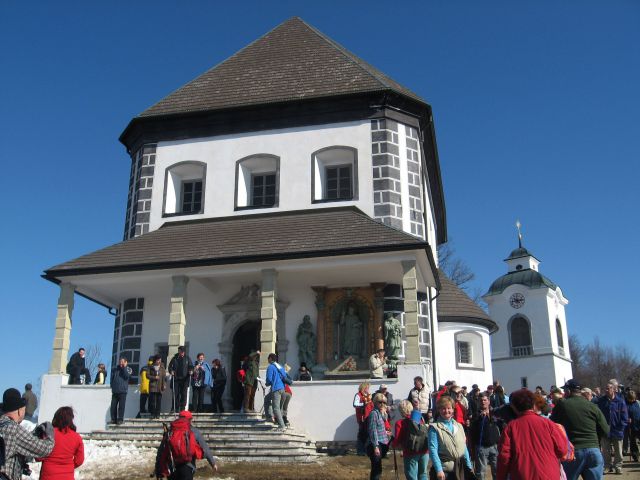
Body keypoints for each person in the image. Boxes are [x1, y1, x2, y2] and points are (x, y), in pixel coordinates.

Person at [496, 389, 567, 480]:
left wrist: (501, 477)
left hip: (522, 474)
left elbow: (504, 457)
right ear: (534, 404)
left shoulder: (510, 427)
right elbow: (562, 450)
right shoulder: (548, 424)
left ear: (514, 407)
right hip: (549, 473)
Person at [550, 379, 609, 480]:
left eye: (565, 391)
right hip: (593, 450)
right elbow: (605, 430)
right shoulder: (592, 406)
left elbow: (552, 426)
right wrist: (595, 440)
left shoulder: (562, 405)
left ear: (568, 391)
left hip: (572, 452)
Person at [0, 388, 54, 480]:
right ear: (19, 410)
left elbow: (8, 452)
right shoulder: (14, 429)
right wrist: (49, 434)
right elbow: (44, 449)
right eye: (24, 409)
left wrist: (19, 464)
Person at [157, 410, 217, 479]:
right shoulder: (194, 431)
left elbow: (161, 451)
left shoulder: (170, 431)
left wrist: (158, 468)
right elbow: (205, 448)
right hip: (188, 467)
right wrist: (213, 463)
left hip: (172, 468)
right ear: (189, 420)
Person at [428, 395, 473, 480]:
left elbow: (464, 448)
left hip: (460, 470)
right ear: (439, 410)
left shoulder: (459, 426)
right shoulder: (434, 428)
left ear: (453, 409)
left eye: (449, 408)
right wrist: (439, 470)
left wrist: (469, 467)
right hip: (445, 472)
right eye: (443, 408)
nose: (446, 411)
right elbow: (433, 450)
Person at [38, 406, 84, 479]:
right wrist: (68, 465)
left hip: (48, 475)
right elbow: (80, 460)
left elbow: (39, 457)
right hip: (67, 476)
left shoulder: (49, 434)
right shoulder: (77, 437)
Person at [597, 379, 629, 474]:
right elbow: (598, 415)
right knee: (605, 450)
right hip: (605, 430)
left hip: (617, 429)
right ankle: (607, 466)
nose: (606, 390)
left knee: (618, 450)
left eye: (608, 388)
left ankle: (618, 466)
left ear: (614, 389)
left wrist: (621, 427)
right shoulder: (601, 401)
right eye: (605, 389)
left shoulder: (620, 401)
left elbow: (625, 416)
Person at [392, 399, 429, 480]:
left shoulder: (400, 423)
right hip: (424, 451)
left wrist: (393, 444)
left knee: (412, 477)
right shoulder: (420, 419)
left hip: (410, 452)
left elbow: (398, 439)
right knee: (423, 474)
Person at [469, 392, 502, 480]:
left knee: (497, 471)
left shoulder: (494, 412)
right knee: (481, 472)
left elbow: (500, 423)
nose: (483, 402)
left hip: (494, 446)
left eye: (485, 400)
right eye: (481, 400)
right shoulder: (476, 415)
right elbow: (472, 429)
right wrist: (480, 418)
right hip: (481, 447)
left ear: (489, 401)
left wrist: (491, 416)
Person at [367, 393, 391, 480]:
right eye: (380, 402)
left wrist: (385, 432)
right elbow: (372, 430)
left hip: (382, 442)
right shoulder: (374, 414)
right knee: (376, 469)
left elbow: (380, 426)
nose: (382, 404)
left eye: (384, 402)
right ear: (375, 402)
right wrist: (375, 446)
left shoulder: (381, 413)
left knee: (378, 468)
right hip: (376, 444)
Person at [264, 353, 287, 431]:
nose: (267, 360)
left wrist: (266, 383)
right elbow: (284, 376)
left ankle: (282, 426)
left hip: (276, 389)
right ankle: (270, 417)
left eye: (268, 358)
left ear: (270, 358)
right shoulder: (279, 367)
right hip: (283, 389)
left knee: (276, 408)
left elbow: (269, 379)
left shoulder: (270, 367)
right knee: (267, 399)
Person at [168, 346, 194, 413]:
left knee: (183, 394)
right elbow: (170, 367)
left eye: (182, 352)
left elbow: (191, 366)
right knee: (175, 394)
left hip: (185, 379)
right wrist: (171, 371)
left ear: (184, 352)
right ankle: (175, 408)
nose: (181, 353)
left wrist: (191, 371)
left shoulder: (187, 358)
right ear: (178, 351)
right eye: (180, 351)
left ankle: (182, 409)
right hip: (176, 379)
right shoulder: (174, 358)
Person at [110, 357, 132, 425]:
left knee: (121, 406)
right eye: (120, 361)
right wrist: (112, 385)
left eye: (122, 361)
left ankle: (120, 419)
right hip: (115, 390)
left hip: (123, 391)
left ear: (126, 362)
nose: (121, 363)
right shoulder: (115, 369)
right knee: (113, 406)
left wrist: (124, 367)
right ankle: (113, 419)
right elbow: (112, 378)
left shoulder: (128, 369)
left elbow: (126, 376)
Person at [354, 382, 373, 455]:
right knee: (362, 434)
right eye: (367, 388)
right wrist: (364, 404)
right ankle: (361, 451)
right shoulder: (358, 395)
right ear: (364, 388)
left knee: (368, 434)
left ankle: (367, 450)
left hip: (369, 417)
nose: (368, 389)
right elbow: (355, 404)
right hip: (362, 418)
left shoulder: (369, 396)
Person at [148, 354, 166, 419]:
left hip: (159, 386)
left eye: (160, 360)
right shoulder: (151, 366)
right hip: (153, 386)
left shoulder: (162, 367)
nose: (159, 361)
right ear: (155, 360)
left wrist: (164, 384)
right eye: (158, 360)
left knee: (159, 401)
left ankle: (158, 414)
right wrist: (154, 377)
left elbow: (164, 377)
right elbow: (148, 376)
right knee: (152, 401)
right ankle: (152, 413)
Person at [624, 390, 640, 462]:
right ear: (628, 398)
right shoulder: (625, 404)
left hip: (638, 425)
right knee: (633, 442)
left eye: (634, 398)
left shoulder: (638, 403)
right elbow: (623, 414)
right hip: (630, 426)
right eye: (631, 399)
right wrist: (627, 418)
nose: (633, 400)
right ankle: (635, 456)